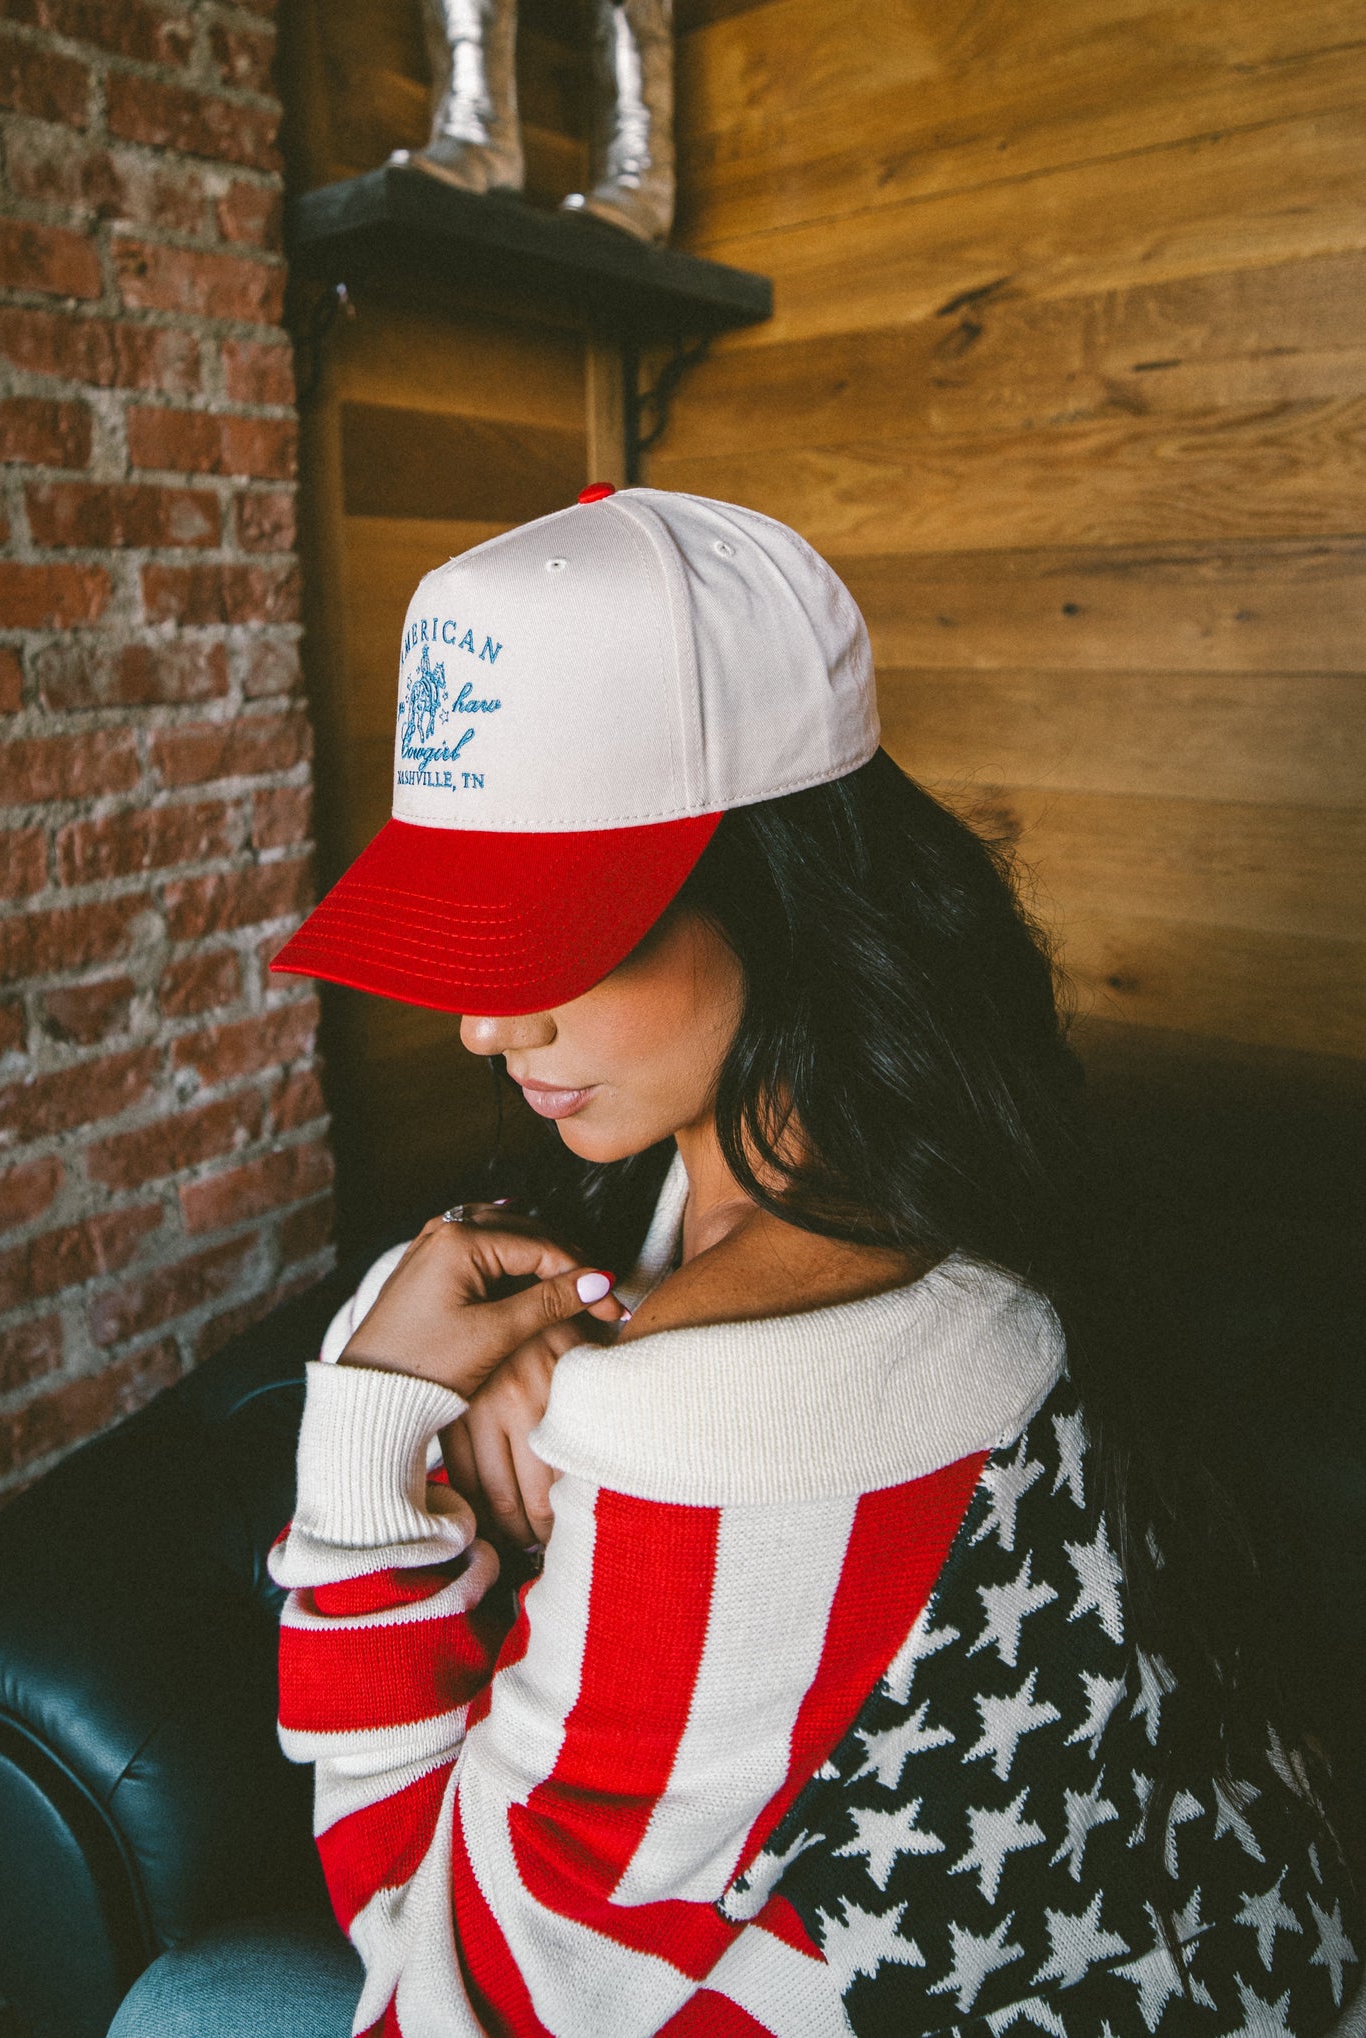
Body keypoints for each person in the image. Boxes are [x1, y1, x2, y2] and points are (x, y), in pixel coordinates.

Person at [110, 487, 1361, 2036]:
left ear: (782, 888)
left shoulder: (713, 1426)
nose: (486, 1027)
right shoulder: (927, 1170)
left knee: (187, 1998)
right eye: (463, 934)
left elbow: (439, 1996)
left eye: (547, 934)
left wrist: (367, 1436)